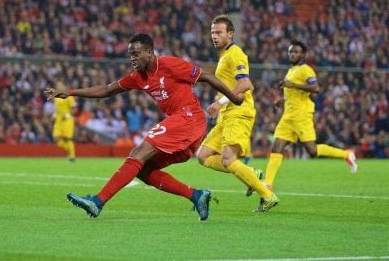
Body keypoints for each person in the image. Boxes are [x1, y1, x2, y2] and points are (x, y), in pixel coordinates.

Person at [44, 33, 244, 221]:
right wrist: (70, 92)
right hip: (185, 128)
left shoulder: (170, 64)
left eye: (136, 54)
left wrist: (233, 97)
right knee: (143, 170)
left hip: (189, 118)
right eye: (130, 54)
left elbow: (207, 76)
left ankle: (97, 201)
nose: (132, 58)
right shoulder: (137, 77)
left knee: (138, 152)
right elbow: (106, 89)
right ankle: (196, 195)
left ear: (149, 52)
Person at [196, 15, 279, 213]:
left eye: (219, 32)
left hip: (239, 112)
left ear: (230, 34)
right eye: (212, 32)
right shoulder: (224, 55)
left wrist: (220, 102)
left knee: (227, 159)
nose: (214, 36)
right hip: (227, 114)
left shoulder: (235, 53)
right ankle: (250, 173)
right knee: (202, 155)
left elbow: (246, 83)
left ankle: (268, 196)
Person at [262, 40, 357, 190]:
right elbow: (294, 94)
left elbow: (315, 88)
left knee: (312, 151)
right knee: (277, 147)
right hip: (288, 116)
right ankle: (268, 183)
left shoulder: (306, 69)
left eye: (296, 52)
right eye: (291, 51)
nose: (293, 54)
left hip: (301, 115)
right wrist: (282, 100)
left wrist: (293, 85)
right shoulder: (291, 70)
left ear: (303, 54)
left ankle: (346, 154)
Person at [52, 81, 77, 163]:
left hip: (67, 120)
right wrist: (54, 115)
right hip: (58, 120)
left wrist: (67, 115)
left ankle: (72, 157)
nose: (58, 87)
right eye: (57, 85)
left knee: (67, 139)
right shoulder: (56, 97)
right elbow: (57, 109)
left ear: (64, 86)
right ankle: (70, 152)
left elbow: (74, 109)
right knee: (56, 138)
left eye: (60, 85)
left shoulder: (69, 96)